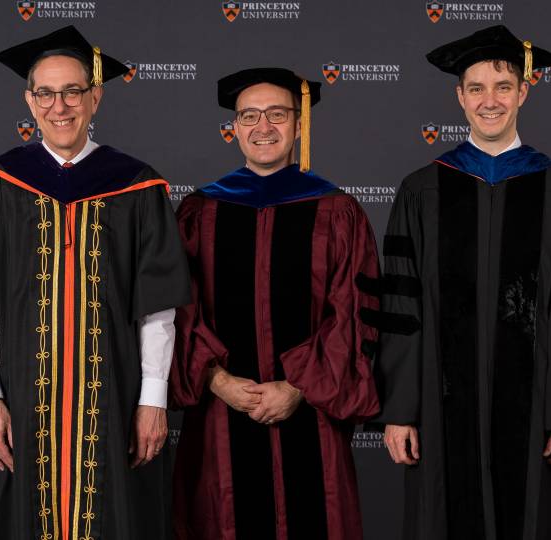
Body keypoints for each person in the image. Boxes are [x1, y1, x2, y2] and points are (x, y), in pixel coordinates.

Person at [372, 25, 551, 540]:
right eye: (477, 88)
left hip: (530, 414)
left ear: (523, 92)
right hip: (441, 415)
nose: (491, 100)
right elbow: (401, 306)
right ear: (459, 96)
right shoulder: (422, 189)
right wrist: (399, 410)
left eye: (503, 86)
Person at [0, 25, 191, 540]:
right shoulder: (0, 182)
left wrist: (153, 399)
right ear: (29, 100)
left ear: (95, 97)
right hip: (19, 394)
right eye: (46, 93)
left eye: (73, 91)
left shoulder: (136, 185)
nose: (60, 106)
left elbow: (158, 309)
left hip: (116, 396)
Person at [170, 67, 381, 540]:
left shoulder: (338, 211)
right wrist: (216, 379)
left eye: (277, 114)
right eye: (249, 116)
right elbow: (180, 313)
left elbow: (353, 313)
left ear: (299, 124)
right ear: (234, 128)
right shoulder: (199, 212)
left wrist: (299, 387)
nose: (263, 127)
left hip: (311, 414)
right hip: (221, 416)